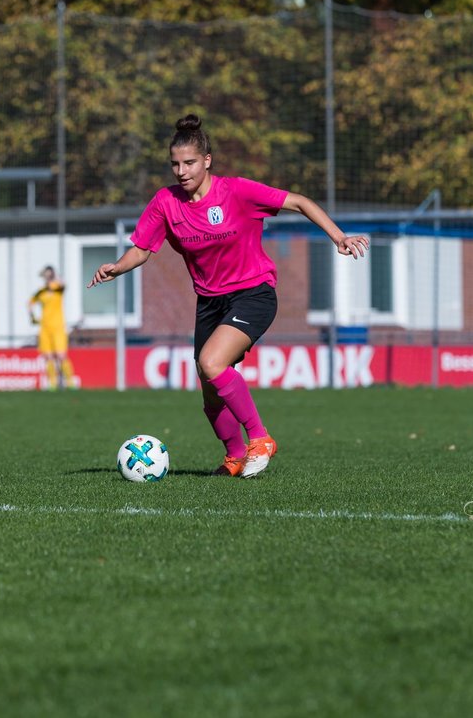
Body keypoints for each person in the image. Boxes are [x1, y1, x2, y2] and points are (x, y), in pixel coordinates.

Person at [88, 113, 368, 478]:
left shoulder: (236, 191)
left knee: (212, 363)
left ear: (207, 161)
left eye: (189, 163)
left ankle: (260, 438)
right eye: (174, 164)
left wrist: (339, 237)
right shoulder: (166, 203)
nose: (181, 171)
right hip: (210, 302)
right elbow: (141, 249)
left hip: (253, 294)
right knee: (209, 389)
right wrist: (116, 267)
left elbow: (298, 201)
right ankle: (235, 456)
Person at [28, 265, 76, 389]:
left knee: (61, 355)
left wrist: (55, 276)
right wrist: (32, 317)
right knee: (48, 356)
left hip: (58, 327)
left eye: (49, 274)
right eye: (46, 275)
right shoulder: (41, 291)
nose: (47, 277)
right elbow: (30, 303)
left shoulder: (57, 288)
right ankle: (52, 383)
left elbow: (64, 284)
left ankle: (70, 382)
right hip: (45, 327)